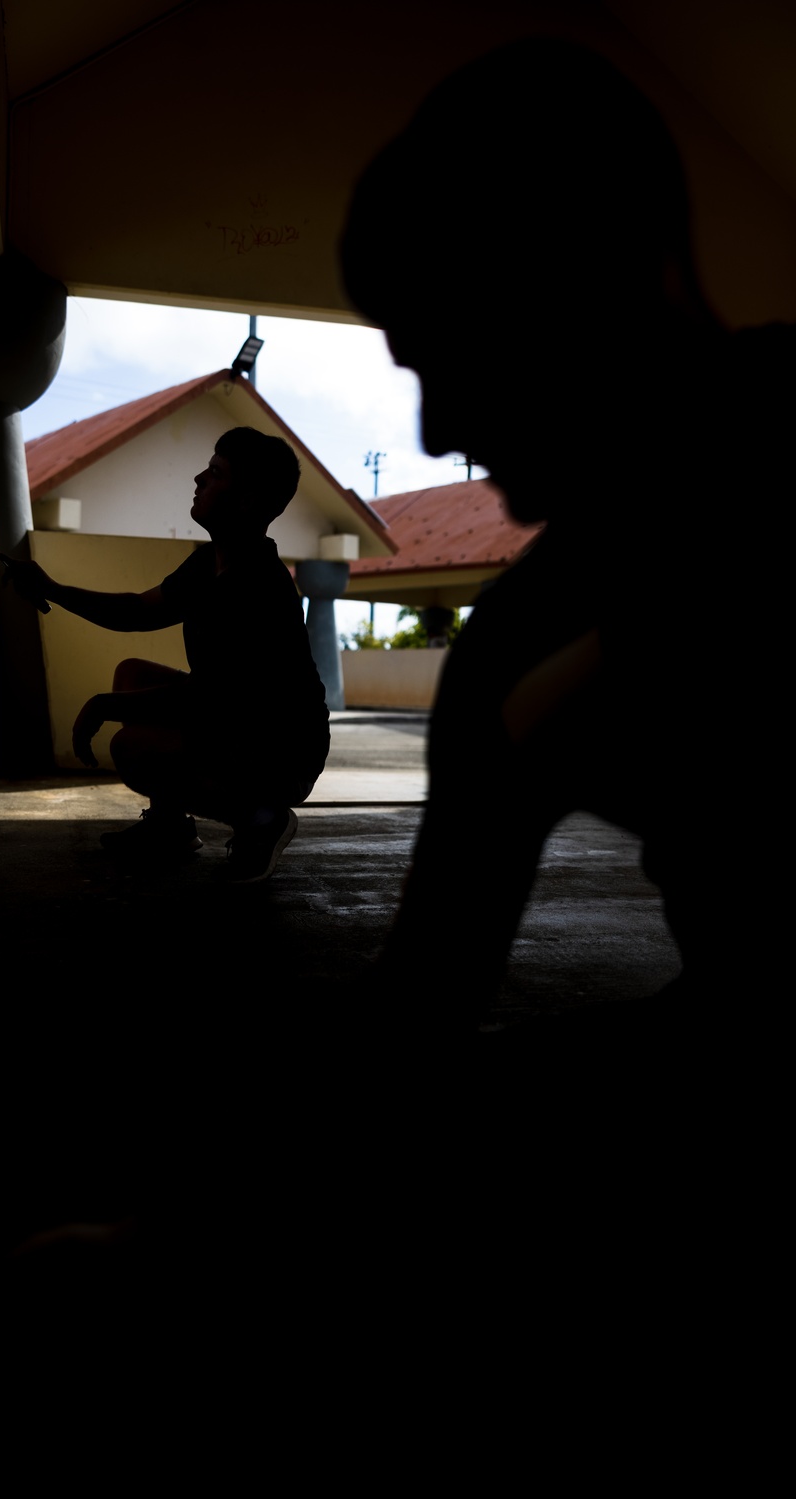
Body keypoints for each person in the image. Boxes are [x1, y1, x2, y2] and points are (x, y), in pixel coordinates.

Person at [339, 37, 791, 1027]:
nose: (435, 431)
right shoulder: (509, 652)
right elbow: (423, 993)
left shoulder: (521, 654)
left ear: (607, 266)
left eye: (461, 344)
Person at [8, 426, 330, 882]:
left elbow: (209, 695)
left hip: (281, 752)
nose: (199, 478)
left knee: (133, 748)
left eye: (216, 473)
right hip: (238, 723)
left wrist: (105, 705)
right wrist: (52, 590)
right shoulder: (211, 562)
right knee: (133, 673)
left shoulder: (258, 586)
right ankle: (169, 828)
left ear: (246, 500)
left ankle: (262, 819)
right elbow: (139, 609)